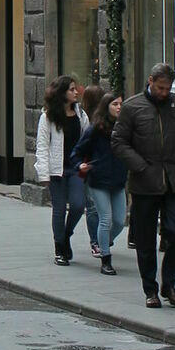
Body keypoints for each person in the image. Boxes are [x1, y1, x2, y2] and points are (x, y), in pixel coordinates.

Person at [111, 61, 175, 307]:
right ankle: (151, 289)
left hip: (174, 179)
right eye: (160, 88)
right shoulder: (132, 106)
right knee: (145, 239)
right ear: (150, 81)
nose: (164, 93)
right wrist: (140, 166)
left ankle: (169, 283)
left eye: (167, 89)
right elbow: (119, 142)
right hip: (145, 180)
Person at [34, 76, 89, 266]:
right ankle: (59, 247)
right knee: (58, 210)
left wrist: (87, 163)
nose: (76, 92)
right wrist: (43, 174)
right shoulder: (48, 117)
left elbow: (87, 139)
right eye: (72, 89)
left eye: (76, 89)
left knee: (77, 205)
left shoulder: (81, 115)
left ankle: (66, 234)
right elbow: (42, 146)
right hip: (56, 169)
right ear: (62, 93)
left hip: (75, 168)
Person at [73, 92, 127, 275]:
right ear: (106, 107)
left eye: (121, 104)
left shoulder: (124, 128)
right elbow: (78, 151)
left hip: (118, 180)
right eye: (115, 104)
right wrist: (80, 164)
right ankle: (106, 259)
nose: (119, 107)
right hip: (98, 179)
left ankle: (103, 240)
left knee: (120, 220)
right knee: (106, 218)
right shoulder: (95, 129)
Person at [80, 84, 105, 256]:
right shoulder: (83, 119)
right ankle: (96, 241)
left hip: (96, 167)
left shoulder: (104, 118)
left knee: (95, 207)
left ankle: (98, 240)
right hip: (88, 167)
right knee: (93, 206)